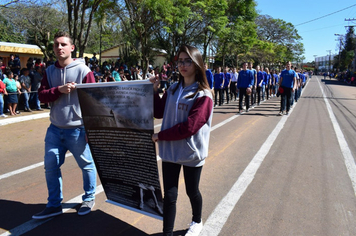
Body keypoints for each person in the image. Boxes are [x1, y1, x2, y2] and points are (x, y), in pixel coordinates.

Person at [32, 31, 97, 220]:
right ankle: (53, 204)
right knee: (50, 167)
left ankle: (89, 198)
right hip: (55, 128)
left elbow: (93, 101)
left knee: (86, 166)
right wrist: (58, 90)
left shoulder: (84, 71)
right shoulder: (49, 72)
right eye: (56, 45)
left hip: (78, 129)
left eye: (62, 44)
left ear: (72, 48)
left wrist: (90, 129)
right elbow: (42, 95)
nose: (59, 48)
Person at [151, 45, 213, 236]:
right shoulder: (172, 89)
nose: (183, 65)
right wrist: (154, 91)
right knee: (169, 196)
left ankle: (197, 220)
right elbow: (159, 112)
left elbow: (189, 128)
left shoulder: (204, 95)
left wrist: (160, 136)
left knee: (192, 191)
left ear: (197, 64)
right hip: (170, 151)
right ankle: (167, 233)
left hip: (191, 152)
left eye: (188, 61)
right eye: (180, 61)